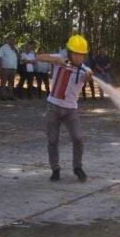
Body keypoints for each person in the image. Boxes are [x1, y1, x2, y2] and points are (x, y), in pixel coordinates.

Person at [36, 34, 92, 182]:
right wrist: (56, 60)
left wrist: (89, 75)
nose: (79, 57)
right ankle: (55, 169)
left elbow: (86, 78)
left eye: (82, 55)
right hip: (53, 107)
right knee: (52, 140)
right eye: (76, 54)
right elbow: (39, 57)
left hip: (71, 109)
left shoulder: (84, 70)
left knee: (78, 138)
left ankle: (77, 167)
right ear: (69, 53)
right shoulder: (60, 60)